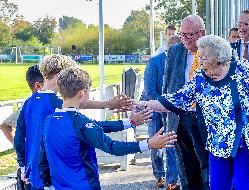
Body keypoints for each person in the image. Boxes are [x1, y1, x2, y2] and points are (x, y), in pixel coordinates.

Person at [139, 34, 249, 190]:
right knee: (218, 186)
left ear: (218, 57)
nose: (200, 59)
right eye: (200, 55)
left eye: (204, 56)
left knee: (244, 186)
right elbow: (175, 100)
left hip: (245, 140)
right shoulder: (200, 78)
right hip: (217, 142)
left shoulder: (241, 69)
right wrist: (142, 103)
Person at [13, 55, 142, 190]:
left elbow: (19, 140)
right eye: (68, 75)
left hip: (31, 175)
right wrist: (126, 120)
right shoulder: (57, 104)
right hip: (53, 176)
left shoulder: (29, 102)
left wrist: (23, 167)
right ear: (58, 76)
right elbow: (85, 125)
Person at [38, 67, 177, 190]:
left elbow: (42, 158)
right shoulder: (80, 123)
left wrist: (130, 122)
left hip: (56, 185)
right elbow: (112, 146)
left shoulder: (49, 120)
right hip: (83, 185)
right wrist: (148, 144)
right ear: (81, 93)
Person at [163, 15, 208, 190]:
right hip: (180, 119)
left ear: (201, 33)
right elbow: (167, 86)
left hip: (205, 119)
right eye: (182, 35)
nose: (185, 39)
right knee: (186, 168)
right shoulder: (175, 52)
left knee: (206, 166)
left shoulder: (214, 49)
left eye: (189, 35)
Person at [141, 35, 181, 189]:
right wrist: (163, 105)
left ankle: (171, 179)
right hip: (155, 110)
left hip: (172, 111)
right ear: (168, 49)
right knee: (156, 144)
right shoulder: (154, 62)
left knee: (170, 143)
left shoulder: (181, 64)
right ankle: (159, 175)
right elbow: (150, 90)